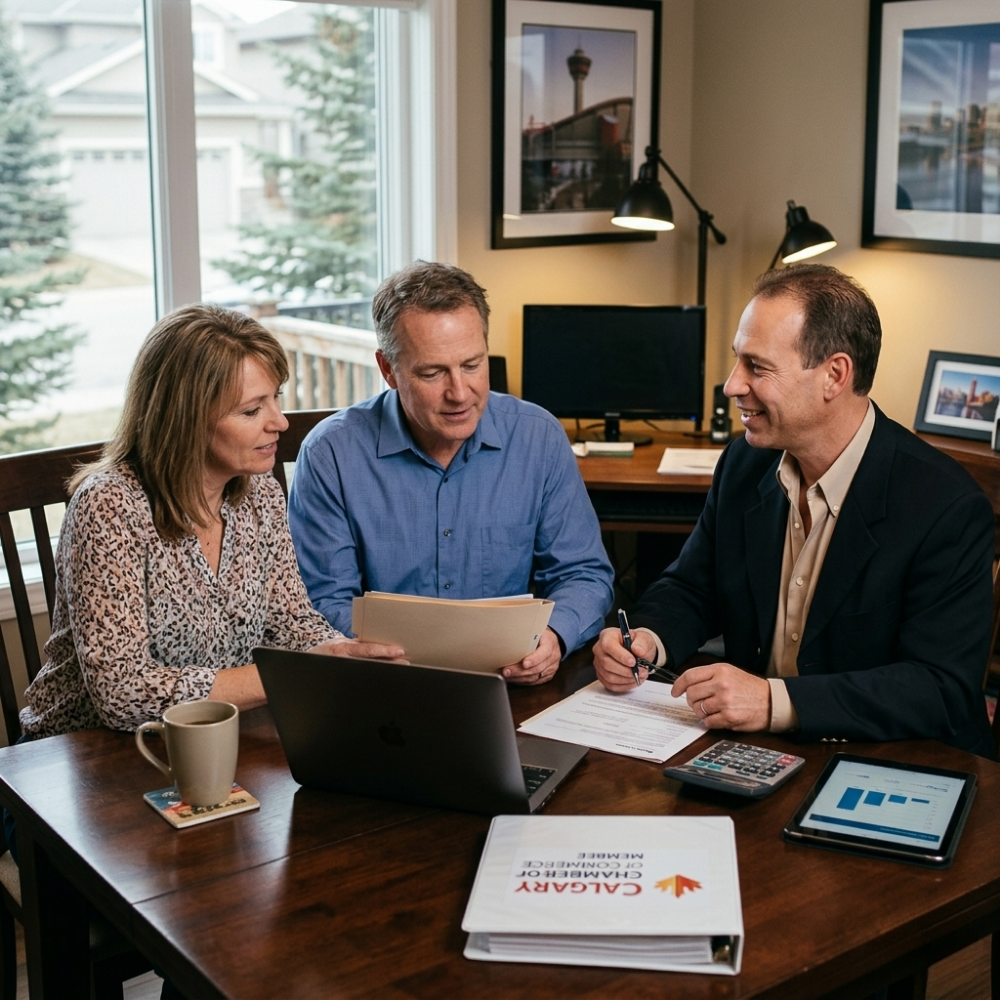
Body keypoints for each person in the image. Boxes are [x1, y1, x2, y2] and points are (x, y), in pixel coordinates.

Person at [594, 264, 996, 758]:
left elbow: (939, 688)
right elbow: (692, 587)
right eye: (736, 362)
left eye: (756, 367)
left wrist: (773, 702)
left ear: (835, 375)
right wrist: (648, 640)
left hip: (891, 759)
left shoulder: (945, 507)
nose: (731, 386)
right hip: (754, 752)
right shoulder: (744, 464)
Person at [20, 304, 403, 741]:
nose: (279, 422)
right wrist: (292, 674)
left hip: (207, 740)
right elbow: (122, 693)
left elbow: (293, 622)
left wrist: (344, 651)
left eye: (275, 398)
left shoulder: (260, 493)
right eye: (251, 410)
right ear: (185, 419)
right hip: (80, 760)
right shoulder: (109, 505)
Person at [288, 260, 615, 685]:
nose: (460, 393)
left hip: (513, 687)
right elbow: (324, 602)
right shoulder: (331, 451)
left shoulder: (538, 437)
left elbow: (583, 575)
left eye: (472, 365)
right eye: (432, 372)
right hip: (385, 686)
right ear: (388, 370)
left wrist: (554, 636)